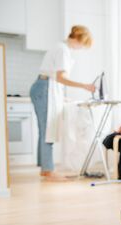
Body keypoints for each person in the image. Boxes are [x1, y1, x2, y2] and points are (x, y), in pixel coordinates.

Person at [30, 25, 95, 181]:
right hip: (44, 88)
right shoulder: (63, 50)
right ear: (79, 40)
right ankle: (49, 170)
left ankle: (45, 170)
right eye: (83, 45)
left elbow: (54, 77)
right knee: (48, 131)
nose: (81, 49)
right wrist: (85, 86)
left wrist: (60, 97)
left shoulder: (60, 47)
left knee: (44, 130)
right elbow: (60, 77)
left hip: (44, 87)